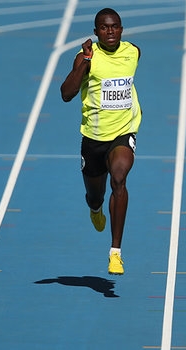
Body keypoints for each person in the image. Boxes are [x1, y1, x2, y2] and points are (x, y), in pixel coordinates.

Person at [60, 8, 142, 275]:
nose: (110, 31)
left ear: (121, 29)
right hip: (93, 139)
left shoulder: (133, 52)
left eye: (115, 27)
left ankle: (115, 253)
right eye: (104, 28)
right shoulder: (87, 57)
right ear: (96, 32)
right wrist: (84, 60)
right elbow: (66, 93)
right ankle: (96, 208)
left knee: (119, 178)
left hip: (123, 132)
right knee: (95, 195)